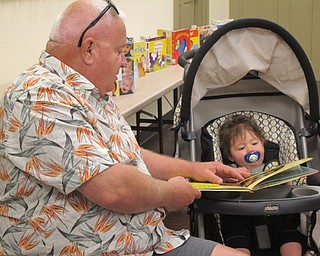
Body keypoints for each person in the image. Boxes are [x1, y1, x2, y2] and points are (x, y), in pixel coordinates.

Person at [0, 0, 250, 255]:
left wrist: (194, 169)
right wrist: (168, 194)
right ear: (89, 50)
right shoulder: (37, 97)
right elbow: (113, 188)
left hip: (144, 240)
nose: (124, 62)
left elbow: (128, 155)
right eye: (120, 51)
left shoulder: (87, 91)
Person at [218, 114, 304, 256]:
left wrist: (285, 181)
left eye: (254, 143)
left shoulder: (273, 167)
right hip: (240, 215)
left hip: (274, 213)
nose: (250, 150)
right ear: (231, 156)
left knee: (289, 233)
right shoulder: (230, 171)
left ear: (262, 144)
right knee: (235, 235)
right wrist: (228, 180)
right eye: (241, 148)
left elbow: (290, 186)